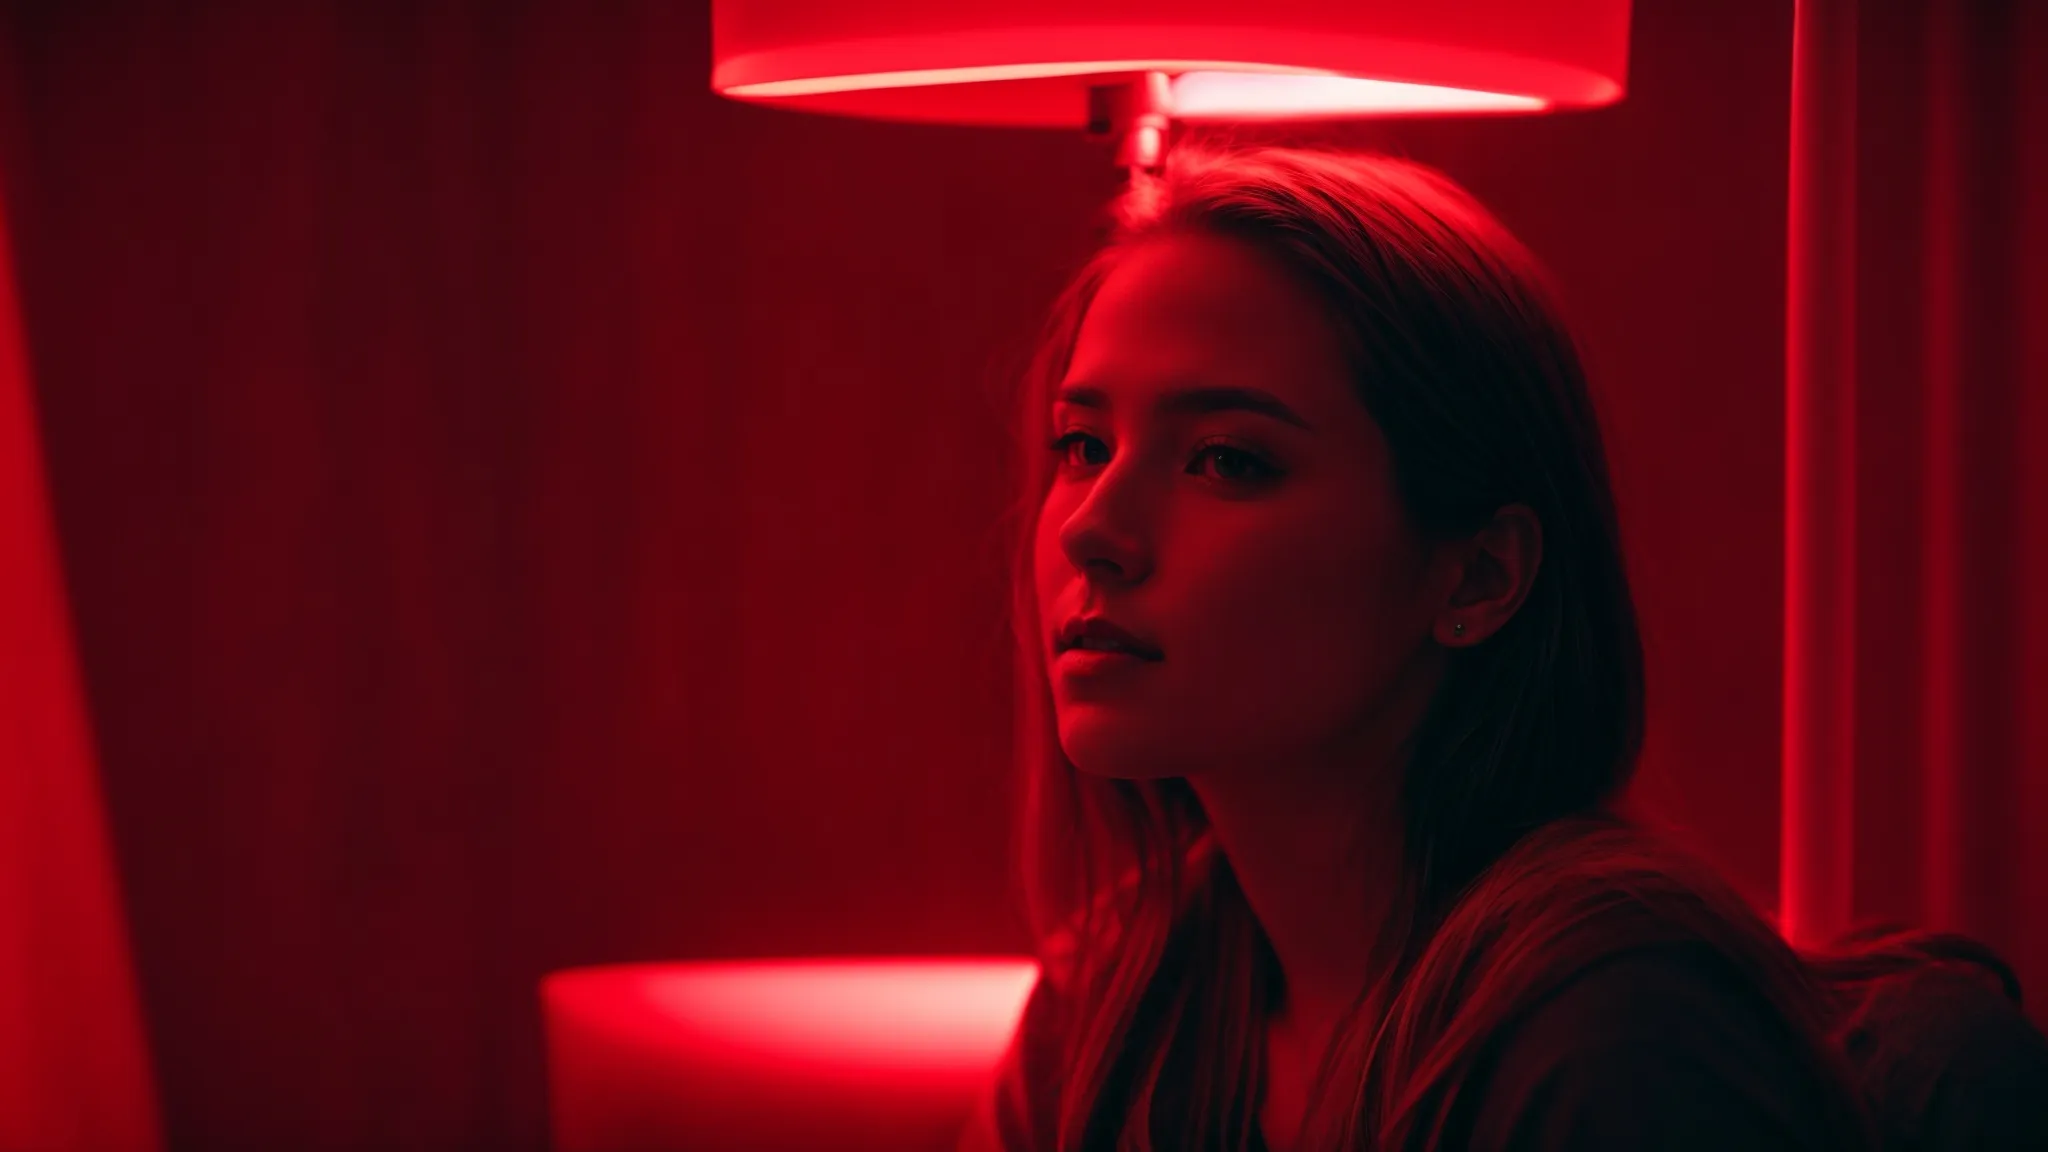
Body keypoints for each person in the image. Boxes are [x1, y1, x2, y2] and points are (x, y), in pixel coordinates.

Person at [954, 140, 1880, 1152]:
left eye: (1225, 460)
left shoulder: (1621, 1043)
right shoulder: (1115, 996)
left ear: (1475, 575)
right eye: (1082, 445)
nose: (1091, 527)